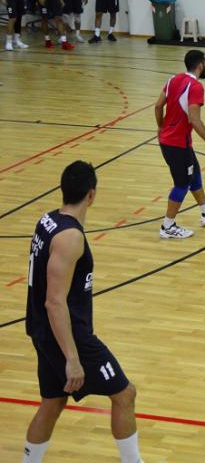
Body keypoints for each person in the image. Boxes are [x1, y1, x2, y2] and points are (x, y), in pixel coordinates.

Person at [21, 160, 144, 463]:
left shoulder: (48, 220)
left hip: (43, 330)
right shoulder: (70, 237)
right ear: (91, 194)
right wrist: (73, 358)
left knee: (53, 402)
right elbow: (54, 302)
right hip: (68, 334)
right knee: (125, 394)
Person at [152, 50, 205, 239]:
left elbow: (158, 105)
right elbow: (194, 120)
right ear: (201, 65)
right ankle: (167, 226)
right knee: (181, 184)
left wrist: (161, 126)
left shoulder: (173, 80)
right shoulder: (195, 87)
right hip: (176, 144)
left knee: (194, 174)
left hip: (174, 141)